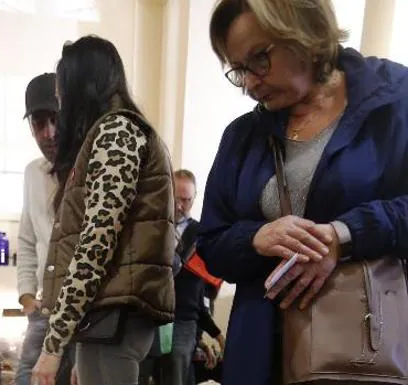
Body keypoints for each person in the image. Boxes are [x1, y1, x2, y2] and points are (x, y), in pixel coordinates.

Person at [198, 0, 408, 384]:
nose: (249, 82)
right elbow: (210, 241)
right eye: (239, 69)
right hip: (259, 352)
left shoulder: (395, 102)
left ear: (303, 31)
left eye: (259, 59)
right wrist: (255, 238)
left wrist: (344, 236)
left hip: (365, 351)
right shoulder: (243, 136)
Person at [32, 35, 176, 385]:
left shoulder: (117, 131)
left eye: (62, 88)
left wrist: (53, 347)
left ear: (81, 84)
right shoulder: (115, 130)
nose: (61, 101)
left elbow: (96, 243)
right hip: (108, 318)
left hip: (116, 316)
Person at [14, 73, 73, 385]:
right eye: (39, 123)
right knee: (25, 379)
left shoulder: (90, 167)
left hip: (81, 314)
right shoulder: (32, 173)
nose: (49, 133)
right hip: (42, 307)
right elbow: (26, 238)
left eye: (55, 119)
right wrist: (25, 296)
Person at [159, 169, 225, 385]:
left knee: (178, 368)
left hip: (186, 315)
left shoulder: (203, 234)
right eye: (176, 199)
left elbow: (206, 291)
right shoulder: (155, 226)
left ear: (194, 199)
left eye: (186, 200)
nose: (180, 206)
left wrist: (210, 333)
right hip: (153, 313)